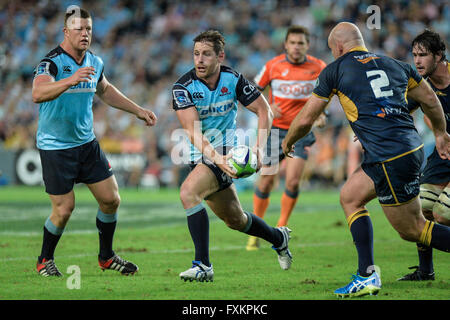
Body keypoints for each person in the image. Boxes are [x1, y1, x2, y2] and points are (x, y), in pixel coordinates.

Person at [281, 22, 450, 298]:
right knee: (350, 196)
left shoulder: (334, 70)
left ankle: (367, 276)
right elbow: (431, 100)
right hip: (407, 148)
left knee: (413, 229)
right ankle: (366, 274)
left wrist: (288, 141)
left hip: (388, 155)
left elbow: (307, 117)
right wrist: (441, 133)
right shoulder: (396, 64)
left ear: (337, 47)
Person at [32, 7, 157, 277]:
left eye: (88, 29)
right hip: (55, 147)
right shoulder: (51, 62)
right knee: (64, 209)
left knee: (111, 200)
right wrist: (69, 80)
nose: (85, 33)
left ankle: (106, 257)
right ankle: (44, 260)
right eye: (78, 29)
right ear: (66, 32)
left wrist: (138, 110)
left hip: (86, 144)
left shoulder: (94, 62)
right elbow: (38, 93)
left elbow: (106, 90)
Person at [172, 30, 292, 282]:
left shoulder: (233, 79)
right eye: (196, 54)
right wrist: (217, 159)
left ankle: (202, 265)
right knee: (236, 220)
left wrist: (258, 150)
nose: (199, 60)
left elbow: (265, 111)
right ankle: (279, 238)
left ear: (220, 56)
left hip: (227, 152)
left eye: (206, 54)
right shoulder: (182, 87)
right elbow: (193, 133)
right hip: (208, 155)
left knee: (188, 193)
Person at [246, 26, 327, 251]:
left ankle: (280, 228)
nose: (296, 46)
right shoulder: (273, 66)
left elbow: (328, 95)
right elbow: (250, 91)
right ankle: (255, 233)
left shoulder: (319, 67)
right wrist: (267, 106)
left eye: (301, 43)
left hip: (301, 132)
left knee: (292, 181)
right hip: (274, 132)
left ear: (307, 45)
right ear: (286, 44)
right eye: (292, 42)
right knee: (267, 181)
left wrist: (321, 114)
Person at [397, 30, 450, 281]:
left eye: (424, 55)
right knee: (422, 209)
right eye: (414, 55)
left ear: (439, 56)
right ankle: (425, 270)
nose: (417, 61)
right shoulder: (421, 84)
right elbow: (400, 110)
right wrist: (374, 127)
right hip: (444, 154)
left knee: (444, 213)